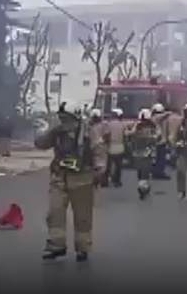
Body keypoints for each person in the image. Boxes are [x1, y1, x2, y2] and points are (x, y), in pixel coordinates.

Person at [35, 104, 106, 262]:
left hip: (83, 179)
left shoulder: (89, 132)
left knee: (83, 216)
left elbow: (99, 151)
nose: (64, 122)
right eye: (62, 118)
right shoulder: (58, 133)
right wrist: (52, 132)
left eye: (67, 118)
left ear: (76, 118)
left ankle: (83, 247)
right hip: (60, 178)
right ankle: (56, 245)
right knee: (55, 211)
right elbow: (40, 144)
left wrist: (100, 169)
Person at [131, 108, 159, 200]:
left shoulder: (137, 125)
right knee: (146, 171)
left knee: (139, 170)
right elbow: (158, 135)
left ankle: (141, 185)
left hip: (138, 151)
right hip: (149, 152)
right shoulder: (153, 126)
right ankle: (144, 185)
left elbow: (131, 133)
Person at [103, 108, 126, 187]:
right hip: (120, 146)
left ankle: (105, 182)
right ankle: (117, 181)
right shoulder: (122, 124)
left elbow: (106, 134)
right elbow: (125, 135)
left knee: (108, 165)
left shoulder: (108, 124)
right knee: (118, 166)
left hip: (110, 146)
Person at [150, 103, 171, 180]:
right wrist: (169, 112)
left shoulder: (160, 119)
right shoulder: (155, 118)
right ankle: (158, 173)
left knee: (160, 159)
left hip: (160, 141)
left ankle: (157, 172)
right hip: (158, 141)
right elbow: (163, 116)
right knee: (159, 158)